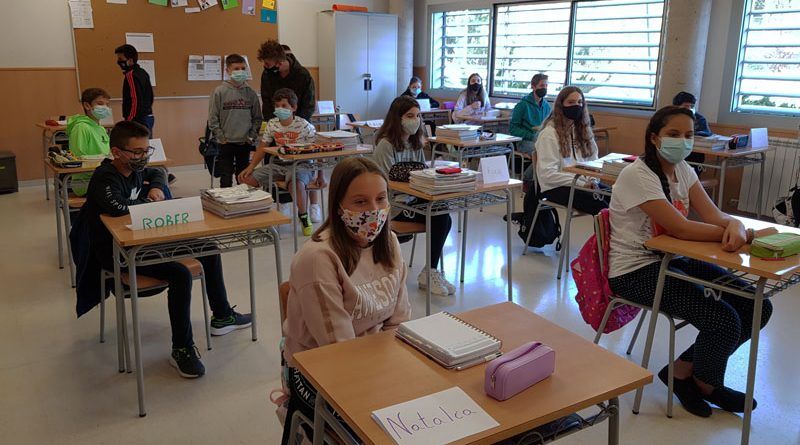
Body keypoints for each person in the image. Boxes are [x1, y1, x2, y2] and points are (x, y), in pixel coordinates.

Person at [607, 106, 772, 418]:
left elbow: (714, 215)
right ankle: (708, 384)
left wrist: (734, 225)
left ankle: (682, 372)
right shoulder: (637, 175)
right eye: (673, 134)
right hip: (635, 270)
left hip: (674, 258)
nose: (682, 141)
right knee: (724, 320)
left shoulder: (682, 168)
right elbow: (680, 227)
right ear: (654, 138)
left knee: (758, 305)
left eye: (688, 135)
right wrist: (731, 233)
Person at [73, 121, 252, 379]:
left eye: (146, 151)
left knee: (209, 249)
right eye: (136, 152)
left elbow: (159, 172)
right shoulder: (105, 178)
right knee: (179, 273)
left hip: (147, 242)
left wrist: (156, 185)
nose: (142, 157)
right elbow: (119, 208)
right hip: (118, 254)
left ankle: (222, 316)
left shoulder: (138, 169)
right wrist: (147, 199)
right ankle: (181, 347)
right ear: (116, 153)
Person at [281, 157, 411, 445]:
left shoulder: (388, 242)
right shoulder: (318, 259)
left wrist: (398, 372)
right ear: (338, 206)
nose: (374, 211)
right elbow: (338, 350)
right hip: (317, 370)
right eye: (360, 202)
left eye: (380, 199)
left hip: (376, 359)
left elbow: (398, 321)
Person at [372, 96, 455, 296]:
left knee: (442, 213)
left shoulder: (416, 143)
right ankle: (430, 272)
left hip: (413, 200)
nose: (415, 120)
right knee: (441, 216)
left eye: (418, 115)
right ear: (397, 118)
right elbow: (384, 185)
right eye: (410, 116)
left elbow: (421, 174)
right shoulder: (386, 144)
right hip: (395, 205)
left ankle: (431, 271)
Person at [238, 89, 325, 234]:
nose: (280, 109)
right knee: (245, 179)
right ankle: (260, 216)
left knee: (295, 184)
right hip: (279, 164)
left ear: (293, 108)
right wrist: (251, 166)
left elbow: (318, 151)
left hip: (302, 165)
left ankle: (303, 216)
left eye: (284, 106)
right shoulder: (272, 124)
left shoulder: (304, 125)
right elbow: (263, 147)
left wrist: (320, 175)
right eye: (277, 106)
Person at [535, 86, 608, 215]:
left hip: (583, 183)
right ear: (561, 105)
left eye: (580, 102)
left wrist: (592, 181)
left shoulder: (583, 131)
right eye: (571, 102)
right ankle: (604, 235)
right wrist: (580, 183)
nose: (576, 106)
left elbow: (594, 162)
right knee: (602, 208)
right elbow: (548, 174)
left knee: (615, 198)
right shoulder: (549, 134)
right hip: (556, 186)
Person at [208, 54, 263, 188]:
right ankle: (226, 203)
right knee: (225, 177)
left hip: (244, 142)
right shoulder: (219, 91)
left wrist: (251, 136)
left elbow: (257, 118)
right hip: (225, 142)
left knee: (243, 176)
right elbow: (213, 118)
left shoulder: (250, 93)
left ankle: (242, 203)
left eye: (243, 68)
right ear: (228, 71)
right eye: (236, 68)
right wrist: (221, 137)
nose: (240, 71)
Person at [66, 88, 112, 196]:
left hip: (102, 176)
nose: (105, 108)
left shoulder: (100, 128)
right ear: (87, 106)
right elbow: (79, 159)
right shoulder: (81, 127)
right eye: (100, 104)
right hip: (85, 182)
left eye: (107, 105)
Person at [258, 40, 316, 121]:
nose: (265, 66)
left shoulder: (303, 75)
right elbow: (267, 102)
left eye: (267, 64)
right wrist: (272, 122)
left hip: (300, 123)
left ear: (280, 63)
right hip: (275, 123)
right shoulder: (267, 74)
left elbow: (308, 105)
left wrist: (296, 123)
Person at [510, 73, 552, 179]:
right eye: (542, 86)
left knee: (552, 151)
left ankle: (536, 180)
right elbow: (513, 128)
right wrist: (530, 135)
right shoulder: (522, 105)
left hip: (541, 139)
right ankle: (528, 179)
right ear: (533, 87)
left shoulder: (547, 106)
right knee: (543, 152)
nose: (545, 88)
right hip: (525, 141)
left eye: (546, 86)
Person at [114, 44, 155, 136]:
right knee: (146, 145)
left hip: (138, 119)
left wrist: (129, 120)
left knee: (137, 147)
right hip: (148, 116)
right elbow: (150, 96)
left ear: (130, 60)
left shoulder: (131, 75)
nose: (118, 62)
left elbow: (135, 99)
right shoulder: (143, 72)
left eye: (120, 59)